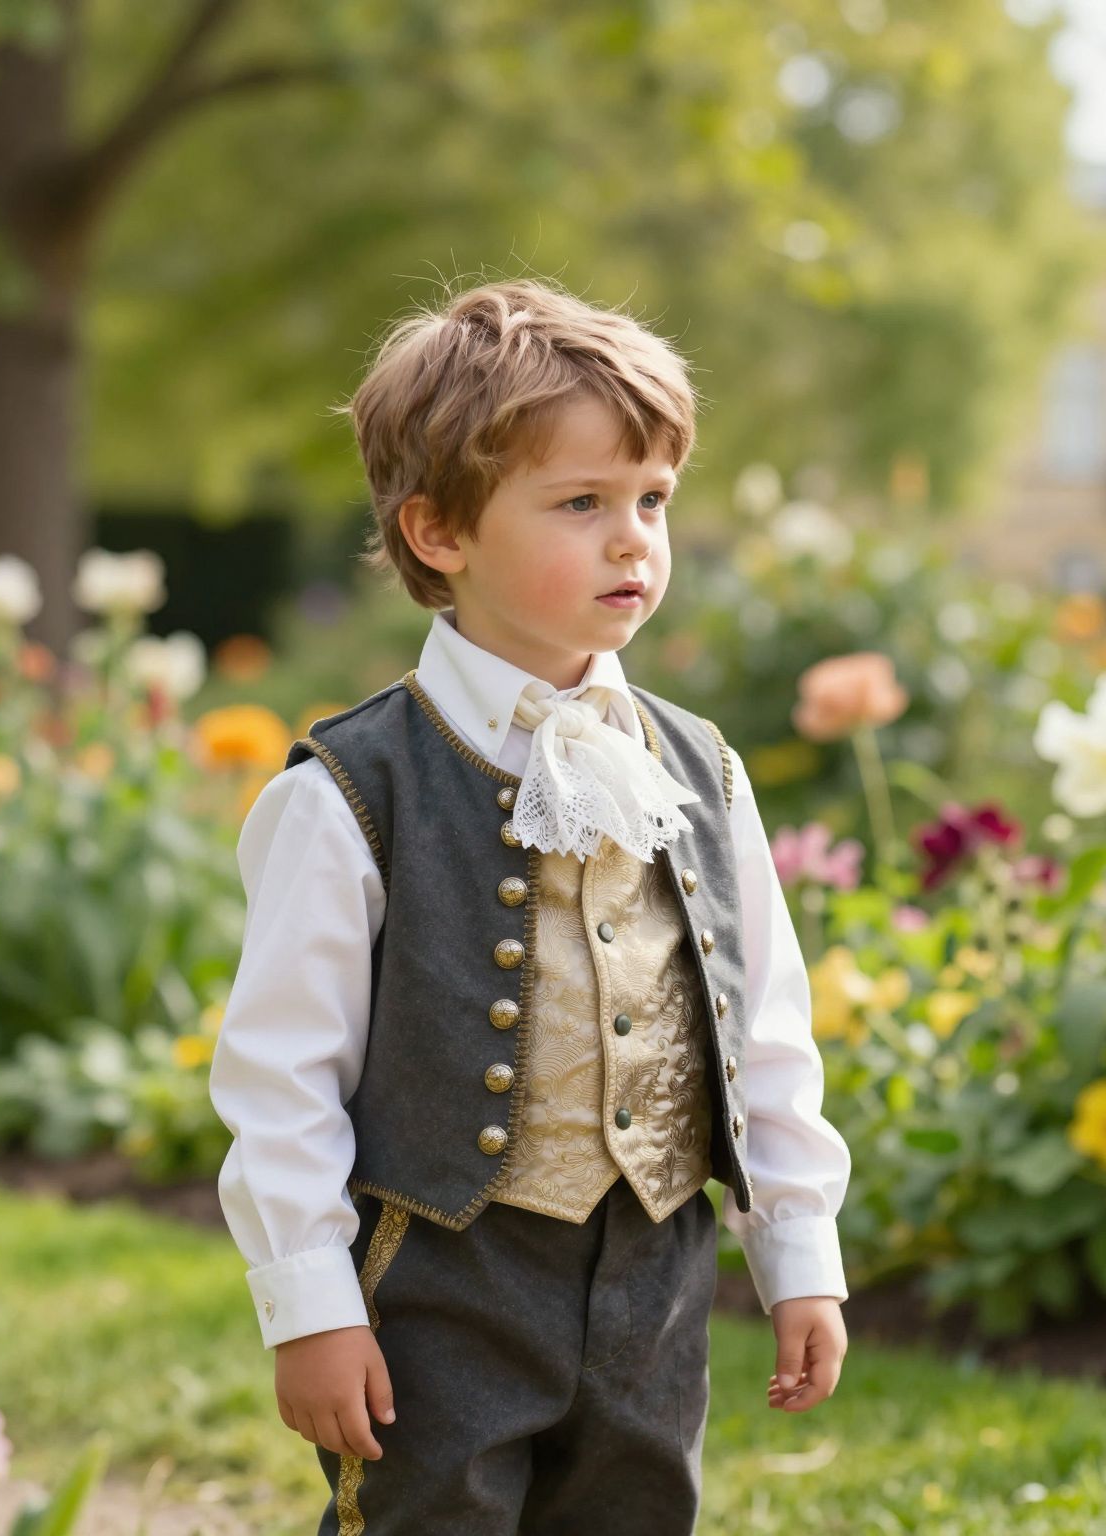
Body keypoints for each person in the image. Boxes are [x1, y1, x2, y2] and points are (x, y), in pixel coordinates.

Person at [208, 276, 851, 1534]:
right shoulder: (355, 787)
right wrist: (311, 1305)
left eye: (652, 499)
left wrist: (798, 1256)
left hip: (655, 1273)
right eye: (582, 503)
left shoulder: (703, 769)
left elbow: (763, 1031)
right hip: (442, 1279)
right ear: (439, 531)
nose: (634, 540)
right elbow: (282, 1073)